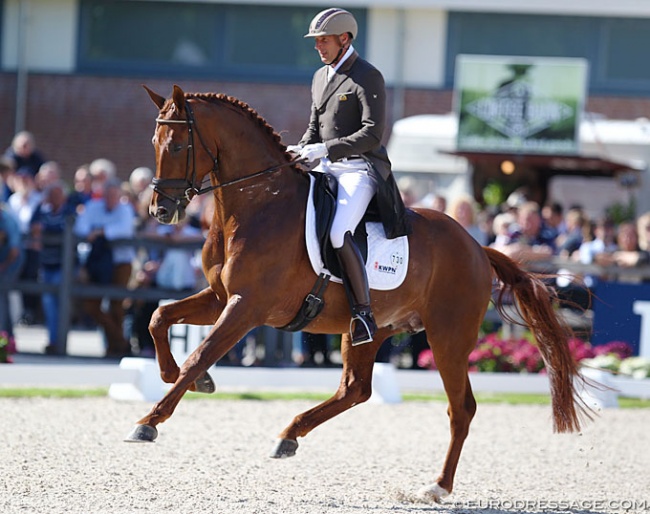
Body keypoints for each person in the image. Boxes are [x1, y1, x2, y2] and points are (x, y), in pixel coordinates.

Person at [288, 8, 410, 345]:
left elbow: (372, 134)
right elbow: (314, 128)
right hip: (325, 165)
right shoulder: (320, 76)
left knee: (340, 231)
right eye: (316, 41)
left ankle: (363, 313)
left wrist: (324, 150)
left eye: (324, 40)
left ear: (345, 39)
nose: (318, 47)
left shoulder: (367, 76)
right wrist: (300, 149)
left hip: (359, 169)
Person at [74, 177, 136, 357]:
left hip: (120, 263)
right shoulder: (93, 207)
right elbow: (80, 228)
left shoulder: (125, 209)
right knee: (91, 305)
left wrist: (100, 232)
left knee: (117, 305)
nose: (110, 199)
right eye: (107, 195)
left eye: (114, 195)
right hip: (97, 263)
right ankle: (121, 342)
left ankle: (114, 347)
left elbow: (124, 230)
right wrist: (98, 233)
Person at [30, 180, 76, 354]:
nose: (54, 199)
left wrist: (45, 230)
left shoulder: (69, 211)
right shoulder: (42, 209)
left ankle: (58, 341)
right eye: (51, 195)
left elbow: (65, 231)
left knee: (60, 302)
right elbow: (33, 227)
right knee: (49, 303)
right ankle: (53, 340)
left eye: (57, 195)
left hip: (64, 265)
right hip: (46, 265)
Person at [0, 205, 24, 340]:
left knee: (1, 293)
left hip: (12, 262)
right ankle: (8, 337)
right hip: (2, 261)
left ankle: (3, 336)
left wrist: (3, 266)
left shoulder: (8, 220)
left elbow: (14, 251)